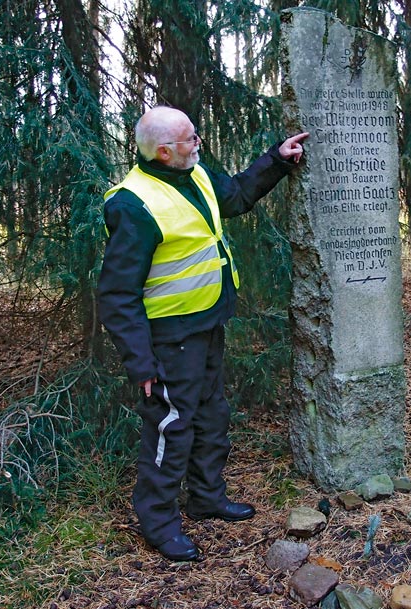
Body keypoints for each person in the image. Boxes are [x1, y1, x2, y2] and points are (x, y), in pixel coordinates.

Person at [98, 106, 308, 562]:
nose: (199, 143)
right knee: (171, 426)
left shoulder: (193, 173)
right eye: (191, 139)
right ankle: (158, 522)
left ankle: (207, 498)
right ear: (164, 151)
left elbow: (234, 196)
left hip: (208, 323)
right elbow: (117, 294)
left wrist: (276, 159)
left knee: (212, 414)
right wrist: (140, 361)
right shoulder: (132, 204)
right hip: (169, 336)